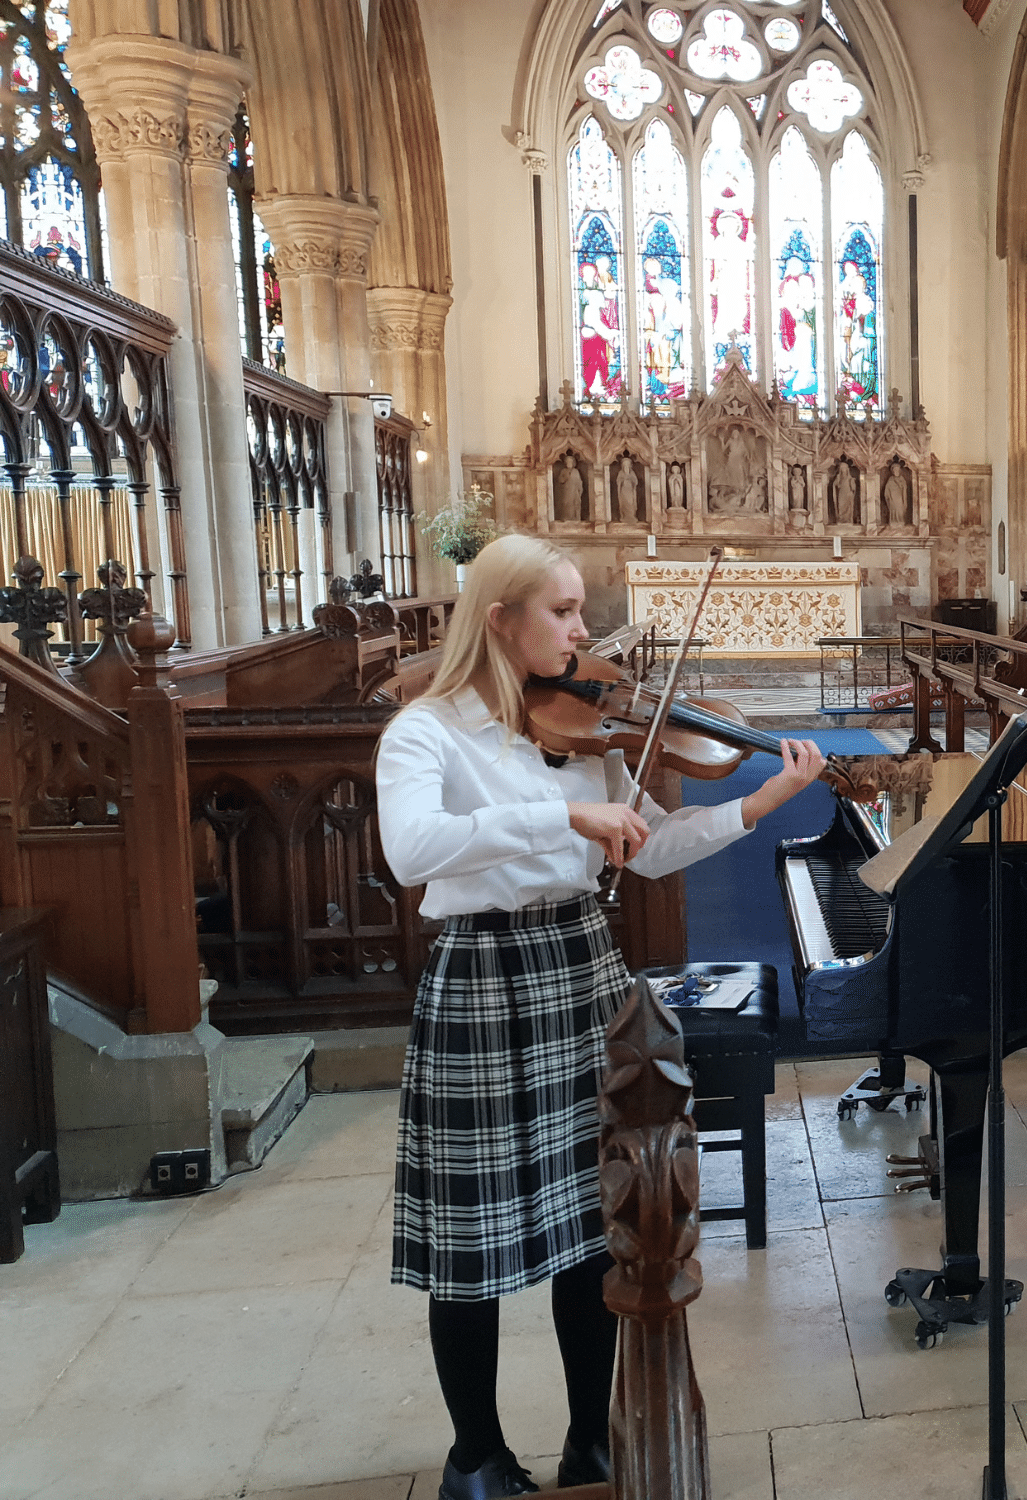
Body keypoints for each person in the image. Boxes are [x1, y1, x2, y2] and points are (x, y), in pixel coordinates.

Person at [376, 534, 826, 1499]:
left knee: (596, 1221)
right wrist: (559, 819)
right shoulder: (426, 732)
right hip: (482, 979)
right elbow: (414, 850)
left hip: (582, 966)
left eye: (582, 612)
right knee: (473, 1239)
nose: (587, 634)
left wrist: (763, 801)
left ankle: (591, 1435)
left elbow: (651, 848)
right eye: (565, 613)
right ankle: (477, 1457)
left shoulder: (580, 729)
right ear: (500, 620)